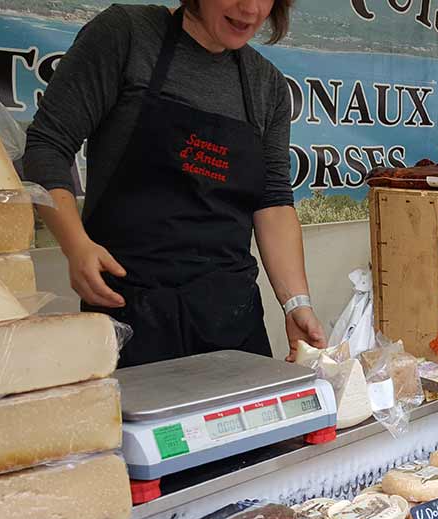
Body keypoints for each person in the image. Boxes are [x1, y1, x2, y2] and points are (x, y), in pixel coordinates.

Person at [24, 0, 326, 368]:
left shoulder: (268, 87)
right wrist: (75, 245)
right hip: (130, 314)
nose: (250, 8)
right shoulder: (127, 35)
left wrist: (296, 303)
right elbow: (48, 145)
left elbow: (274, 202)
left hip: (231, 320)